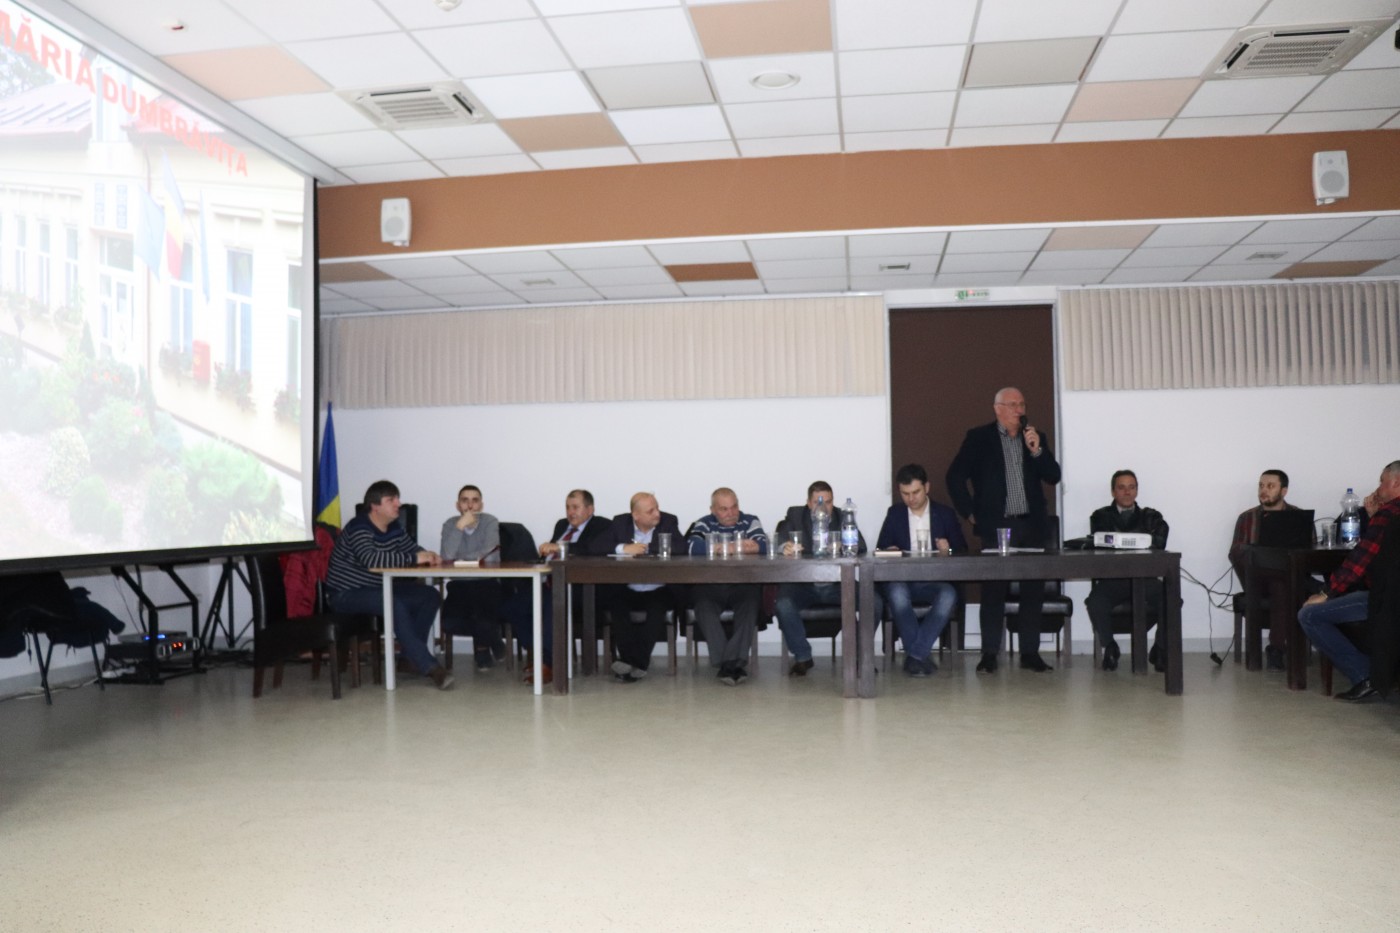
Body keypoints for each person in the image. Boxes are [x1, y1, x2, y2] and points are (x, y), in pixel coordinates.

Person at [946, 386, 1062, 674]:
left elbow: (1053, 476)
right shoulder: (979, 438)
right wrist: (970, 513)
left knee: (1033, 591)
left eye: (1022, 404)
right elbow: (954, 476)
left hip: (1031, 525)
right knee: (993, 591)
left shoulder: (1035, 437)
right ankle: (989, 654)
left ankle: (1030, 653)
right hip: (996, 527)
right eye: (1013, 405)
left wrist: (1037, 451)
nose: (1019, 410)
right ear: (998, 408)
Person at [325, 480, 450, 689]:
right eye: (391, 500)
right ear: (375, 506)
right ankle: (429, 666)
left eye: (397, 499)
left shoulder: (394, 527)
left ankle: (409, 659)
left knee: (429, 595)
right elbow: (372, 560)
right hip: (345, 594)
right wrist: (415, 558)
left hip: (377, 588)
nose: (398, 504)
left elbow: (412, 549)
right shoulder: (359, 527)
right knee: (392, 602)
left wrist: (428, 555)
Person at [1298, 461, 1400, 703]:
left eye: (1382, 481)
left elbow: (1360, 560)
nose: (1378, 488)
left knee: (1309, 615)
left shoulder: (1389, 513)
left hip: (1384, 602)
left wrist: (1327, 592)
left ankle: (1366, 676)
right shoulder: (1385, 516)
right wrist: (1373, 517)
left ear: (1396, 483)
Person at [503, 489, 613, 685]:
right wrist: (545, 554)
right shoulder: (562, 525)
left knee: (551, 604)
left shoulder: (602, 525)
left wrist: (561, 548)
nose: (570, 512)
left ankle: (551, 664)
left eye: (576, 507)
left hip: (580, 589)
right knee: (513, 606)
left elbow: (592, 549)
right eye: (568, 507)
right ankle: (539, 653)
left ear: (590, 509)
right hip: (550, 582)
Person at [874, 464, 966, 677]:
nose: (911, 498)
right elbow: (880, 549)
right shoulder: (895, 514)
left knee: (948, 594)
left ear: (927, 487)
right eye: (905, 494)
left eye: (915, 492)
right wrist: (890, 550)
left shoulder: (944, 514)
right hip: (902, 578)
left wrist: (947, 549)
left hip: (934, 579)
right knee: (896, 593)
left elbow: (961, 549)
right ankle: (919, 656)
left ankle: (915, 655)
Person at [774, 481, 869, 676]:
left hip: (837, 585)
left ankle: (861, 655)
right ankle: (803, 656)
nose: (824, 507)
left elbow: (861, 546)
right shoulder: (795, 515)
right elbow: (780, 537)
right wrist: (785, 547)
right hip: (803, 585)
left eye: (828, 501)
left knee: (873, 600)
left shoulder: (842, 516)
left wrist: (846, 546)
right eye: (818, 502)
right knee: (783, 603)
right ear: (809, 503)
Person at [588, 492, 686, 683]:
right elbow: (595, 546)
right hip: (629, 587)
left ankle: (632, 662)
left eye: (657, 508)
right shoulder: (620, 523)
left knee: (656, 609)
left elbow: (681, 547)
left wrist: (645, 548)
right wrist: (623, 548)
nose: (657, 513)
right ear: (636, 515)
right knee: (617, 605)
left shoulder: (668, 521)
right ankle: (635, 663)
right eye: (651, 511)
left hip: (658, 588)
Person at [1084, 470, 1170, 672]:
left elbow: (1160, 542)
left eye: (1132, 487)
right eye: (1121, 488)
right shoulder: (1101, 516)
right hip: (1113, 579)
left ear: (1137, 491)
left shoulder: (1151, 516)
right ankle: (1110, 647)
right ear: (1113, 491)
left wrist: (1124, 541)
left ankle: (1160, 649)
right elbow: (1102, 542)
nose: (1127, 492)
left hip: (1145, 579)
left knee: (1171, 598)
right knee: (1095, 601)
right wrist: (1138, 540)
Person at [684, 487, 770, 686]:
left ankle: (727, 664)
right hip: (710, 584)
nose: (731, 513)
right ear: (713, 510)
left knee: (751, 604)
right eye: (724, 509)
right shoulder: (704, 523)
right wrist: (734, 546)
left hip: (742, 583)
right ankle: (732, 664)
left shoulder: (750, 521)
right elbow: (691, 547)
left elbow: (764, 545)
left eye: (734, 507)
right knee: (703, 606)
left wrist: (719, 547)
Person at [1229, 469, 1302, 671]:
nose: (1264, 490)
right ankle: (1276, 650)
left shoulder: (1297, 517)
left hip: (1286, 578)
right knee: (1274, 580)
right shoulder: (1247, 518)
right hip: (1255, 579)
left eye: (1270, 486)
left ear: (1283, 491)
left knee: (1280, 586)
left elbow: (1308, 550)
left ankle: (1276, 650)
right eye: (1261, 486)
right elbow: (1235, 552)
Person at [438, 484, 504, 671]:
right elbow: (447, 556)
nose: (469, 505)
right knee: (450, 622)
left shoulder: (490, 521)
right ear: (457, 505)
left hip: (486, 582)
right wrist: (459, 527)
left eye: (475, 501)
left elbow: (489, 556)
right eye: (464, 501)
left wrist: (461, 558)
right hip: (459, 584)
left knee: (481, 612)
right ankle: (493, 639)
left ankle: (482, 649)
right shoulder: (450, 524)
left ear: (481, 505)